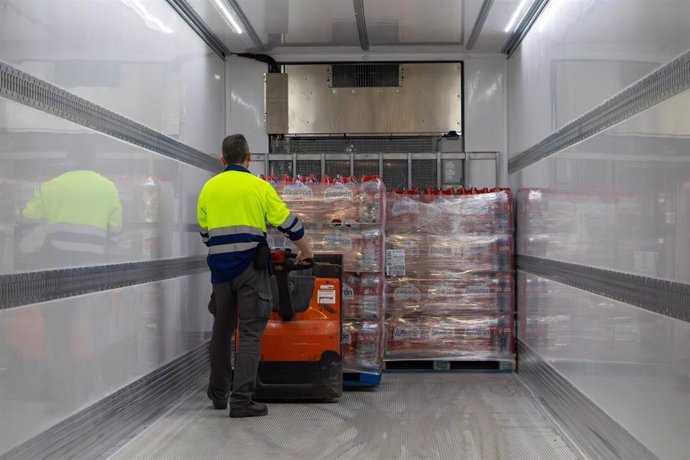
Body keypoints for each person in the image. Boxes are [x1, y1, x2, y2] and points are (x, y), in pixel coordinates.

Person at [197, 134, 313, 418]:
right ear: (249, 157)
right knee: (249, 334)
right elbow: (287, 223)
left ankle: (218, 394)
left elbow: (205, 234)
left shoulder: (208, 189)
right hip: (251, 269)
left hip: (221, 273)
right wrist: (307, 251)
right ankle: (242, 401)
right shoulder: (259, 187)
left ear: (222, 159)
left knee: (221, 332)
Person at [21, 146, 123, 268]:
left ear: (68, 159)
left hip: (57, 257)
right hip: (94, 257)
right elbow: (115, 228)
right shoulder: (109, 187)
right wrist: (108, 243)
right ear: (94, 159)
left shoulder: (50, 186)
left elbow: (28, 218)